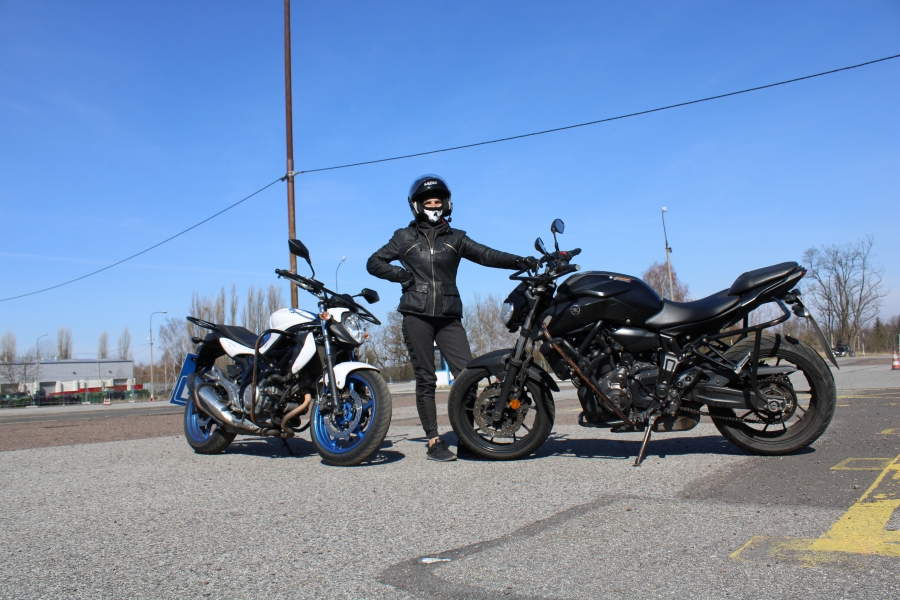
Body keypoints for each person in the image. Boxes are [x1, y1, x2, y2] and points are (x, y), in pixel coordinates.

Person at [367, 174, 537, 462]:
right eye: (428, 202)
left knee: (467, 375)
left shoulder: (456, 238)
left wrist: (518, 261)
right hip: (416, 314)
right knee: (426, 379)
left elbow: (485, 254)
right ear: (416, 205)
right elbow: (374, 262)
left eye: (438, 202)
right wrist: (402, 276)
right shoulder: (403, 237)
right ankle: (434, 441)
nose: (434, 206)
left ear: (446, 205)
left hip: (448, 315)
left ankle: (466, 437)